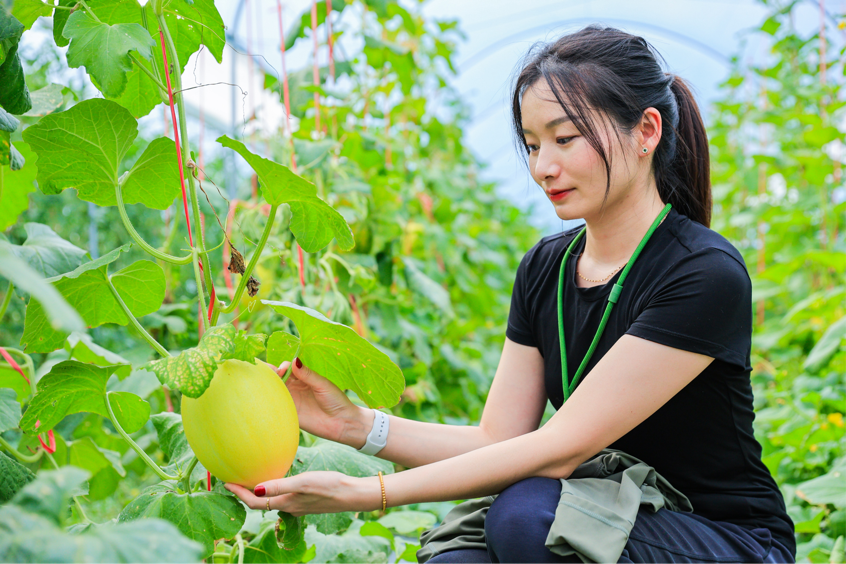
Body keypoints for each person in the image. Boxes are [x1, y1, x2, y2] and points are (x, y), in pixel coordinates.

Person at [225, 26, 796, 563]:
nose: (543, 166)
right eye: (530, 144)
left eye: (565, 139)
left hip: (722, 534)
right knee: (461, 553)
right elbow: (497, 439)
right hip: (603, 508)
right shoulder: (547, 267)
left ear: (646, 131)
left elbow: (560, 448)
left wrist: (366, 492)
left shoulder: (703, 272)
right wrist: (355, 426)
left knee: (527, 517)